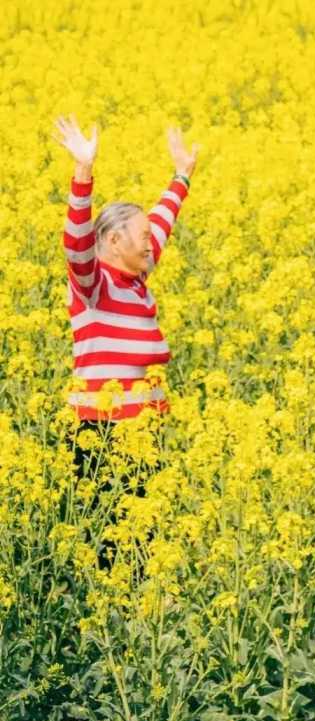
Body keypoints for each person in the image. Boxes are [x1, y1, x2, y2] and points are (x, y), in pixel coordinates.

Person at [52, 114, 199, 569]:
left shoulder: (137, 277)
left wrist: (182, 175)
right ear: (114, 241)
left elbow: (160, 223)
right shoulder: (94, 285)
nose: (151, 244)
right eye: (140, 239)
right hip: (103, 431)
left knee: (145, 533)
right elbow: (76, 244)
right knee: (110, 540)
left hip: (143, 431)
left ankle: (145, 609)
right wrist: (83, 172)